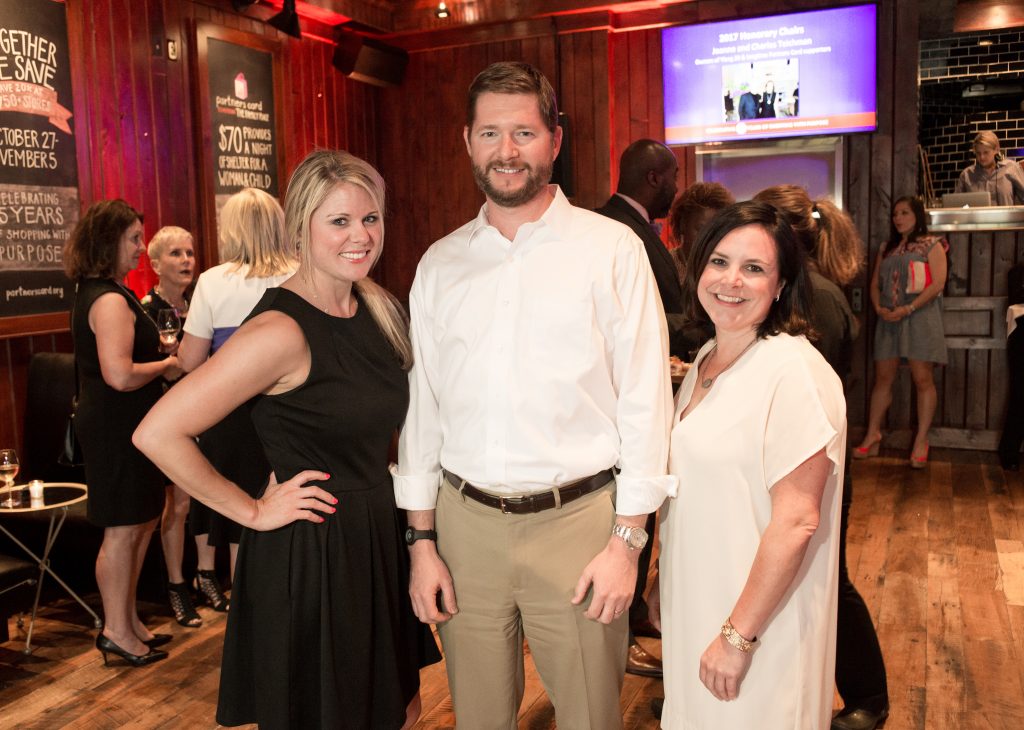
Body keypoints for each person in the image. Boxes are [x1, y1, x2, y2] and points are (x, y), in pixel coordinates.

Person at [395, 61, 674, 729]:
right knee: (479, 719)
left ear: (555, 138)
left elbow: (645, 399)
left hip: (579, 525)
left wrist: (627, 543)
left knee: (588, 717)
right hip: (465, 531)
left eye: (523, 132)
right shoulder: (440, 264)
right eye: (491, 133)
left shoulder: (611, 250)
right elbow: (422, 411)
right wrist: (421, 542)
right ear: (468, 142)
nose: (507, 151)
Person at [135, 150, 440, 728]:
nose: (360, 236)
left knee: (398, 709)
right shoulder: (279, 330)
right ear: (301, 227)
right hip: (314, 551)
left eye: (370, 218)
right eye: (339, 221)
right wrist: (249, 510)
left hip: (373, 534)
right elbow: (158, 431)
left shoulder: (374, 306)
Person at [650, 200, 846, 728]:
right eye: (718, 261)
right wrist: (662, 580)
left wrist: (739, 637)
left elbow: (797, 520)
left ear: (781, 285)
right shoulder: (709, 359)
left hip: (761, 627)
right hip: (701, 601)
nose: (730, 280)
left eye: (754, 268)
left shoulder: (794, 372)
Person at [754, 185, 890, 730]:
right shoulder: (802, 292)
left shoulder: (821, 298)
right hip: (799, 460)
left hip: (819, 465)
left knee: (832, 579)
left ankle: (869, 697)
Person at [64, 200, 181, 667]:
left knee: (142, 522)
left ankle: (128, 622)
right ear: (108, 242)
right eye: (133, 238)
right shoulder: (108, 299)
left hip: (129, 423)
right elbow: (118, 374)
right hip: (115, 427)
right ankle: (115, 629)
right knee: (122, 529)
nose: (139, 248)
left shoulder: (107, 290)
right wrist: (168, 365)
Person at [176, 188, 295, 608]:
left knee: (240, 511)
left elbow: (190, 362)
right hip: (290, 410)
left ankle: (248, 608)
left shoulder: (212, 281)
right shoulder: (301, 273)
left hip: (229, 413)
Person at [595, 138, 681, 679]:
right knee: (632, 509)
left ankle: (630, 623)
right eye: (673, 175)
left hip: (651, 386)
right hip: (626, 400)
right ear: (653, 178)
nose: (677, 186)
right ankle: (620, 635)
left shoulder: (633, 228)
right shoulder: (616, 234)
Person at [139, 226, 205, 628]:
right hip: (165, 419)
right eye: (176, 254)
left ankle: (205, 575)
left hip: (202, 413)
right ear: (155, 264)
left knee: (196, 501)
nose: (186, 261)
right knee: (177, 506)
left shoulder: (200, 302)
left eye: (190, 253)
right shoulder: (146, 311)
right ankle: (177, 586)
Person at [854, 196, 947, 467]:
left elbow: (937, 284)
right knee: (883, 378)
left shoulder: (933, 244)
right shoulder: (887, 247)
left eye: (905, 212)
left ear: (917, 215)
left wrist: (908, 309)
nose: (898, 218)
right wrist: (879, 308)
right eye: (895, 213)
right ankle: (873, 435)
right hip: (889, 319)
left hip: (920, 318)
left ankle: (921, 440)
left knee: (922, 378)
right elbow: (874, 285)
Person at [668, 181, 736, 285]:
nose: (709, 239)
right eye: (701, 230)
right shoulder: (665, 265)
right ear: (682, 224)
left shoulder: (730, 269)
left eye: (717, 231)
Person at [998, 262, 1024, 471]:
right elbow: (1017, 303)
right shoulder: (1018, 272)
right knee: (1020, 394)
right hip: (1022, 335)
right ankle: (1009, 450)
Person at [954, 130, 1024, 206]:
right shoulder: (966, 175)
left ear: (997, 150)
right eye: (978, 153)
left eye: (986, 152)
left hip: (1006, 218)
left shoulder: (1011, 168)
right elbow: (955, 206)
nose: (982, 157)